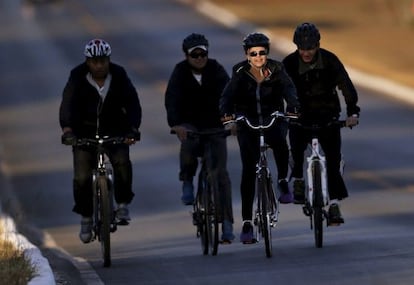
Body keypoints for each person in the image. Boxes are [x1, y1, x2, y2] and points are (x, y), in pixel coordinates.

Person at [220, 32, 300, 243]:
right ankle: (247, 223)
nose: (258, 57)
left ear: (267, 53)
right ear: (247, 55)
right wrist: (228, 117)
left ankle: (283, 181)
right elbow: (227, 96)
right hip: (248, 122)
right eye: (253, 53)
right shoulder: (239, 72)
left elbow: (289, 89)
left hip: (273, 117)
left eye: (262, 53)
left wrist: (292, 107)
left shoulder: (277, 69)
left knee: (281, 144)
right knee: (248, 171)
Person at [60, 39, 142, 243]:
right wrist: (68, 129)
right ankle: (86, 217)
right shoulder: (77, 76)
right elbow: (67, 104)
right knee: (81, 178)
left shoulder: (119, 75)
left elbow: (132, 103)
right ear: (88, 61)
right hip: (83, 134)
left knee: (122, 162)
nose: (99, 65)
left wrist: (132, 129)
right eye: (94, 61)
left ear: (109, 60)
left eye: (103, 61)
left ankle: (122, 204)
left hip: (115, 131)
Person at [282, 22, 360, 225]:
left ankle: (334, 204)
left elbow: (346, 86)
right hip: (300, 117)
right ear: (296, 46)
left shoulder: (330, 60)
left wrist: (352, 111)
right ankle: (298, 179)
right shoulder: (289, 63)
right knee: (296, 150)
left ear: (317, 45)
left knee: (333, 162)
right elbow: (276, 89)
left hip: (328, 117)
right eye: (302, 48)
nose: (306, 52)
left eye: (310, 48)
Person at [164, 33, 235, 242]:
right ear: (186, 56)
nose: (199, 58)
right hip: (190, 125)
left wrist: (231, 121)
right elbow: (172, 99)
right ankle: (187, 180)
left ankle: (228, 222)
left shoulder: (216, 69)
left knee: (221, 174)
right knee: (188, 147)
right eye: (194, 55)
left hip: (215, 126)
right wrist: (176, 125)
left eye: (202, 53)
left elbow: (229, 94)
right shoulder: (179, 72)